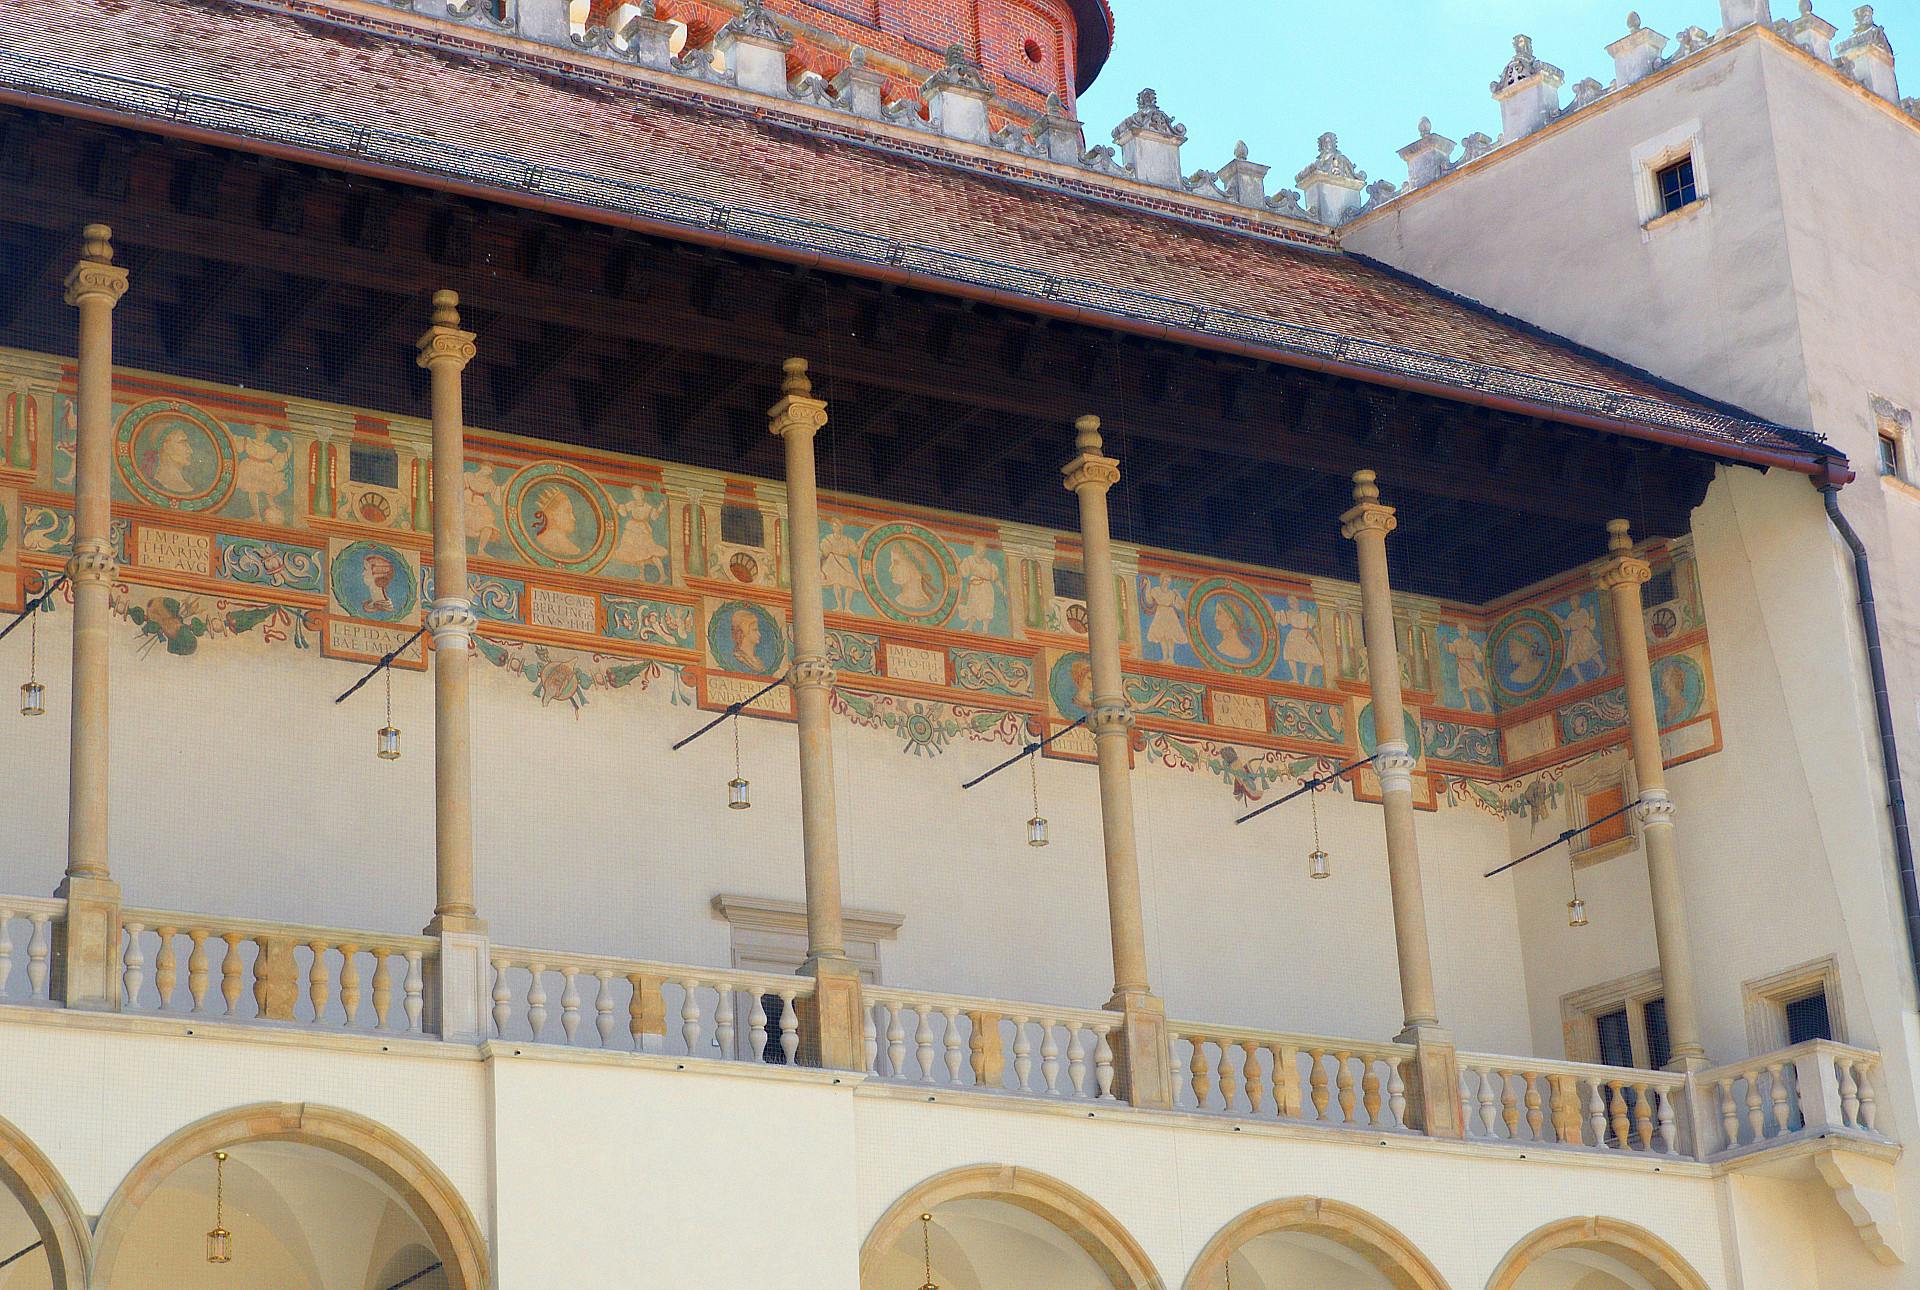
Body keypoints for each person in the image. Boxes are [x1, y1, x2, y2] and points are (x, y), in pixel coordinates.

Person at [233, 423, 290, 522]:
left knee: (268, 491)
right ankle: (257, 516)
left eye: (263, 433)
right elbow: (234, 440)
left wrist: (289, 444)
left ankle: (274, 511)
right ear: (256, 433)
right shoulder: (249, 442)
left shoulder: (269, 447)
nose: (261, 435)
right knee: (252, 491)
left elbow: (281, 457)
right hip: (249, 468)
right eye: (259, 433)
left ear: (266, 435)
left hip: (264, 471)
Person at [612, 487, 669, 581]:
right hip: (632, 529)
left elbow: (654, 517)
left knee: (651, 552)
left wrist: (661, 507)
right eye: (634, 494)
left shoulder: (648, 507)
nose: (635, 496)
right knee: (638, 553)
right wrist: (614, 503)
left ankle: (663, 575)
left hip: (643, 531)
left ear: (642, 494)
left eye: (637, 494)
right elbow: (623, 513)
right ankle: (642, 575)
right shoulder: (632, 504)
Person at [530, 484, 585, 561]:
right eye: (567, 511)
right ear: (553, 515)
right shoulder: (569, 548)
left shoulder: (570, 547)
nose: (573, 518)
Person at [954, 541, 1000, 631]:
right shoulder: (970, 560)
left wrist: (1002, 588)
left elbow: (995, 578)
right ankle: (970, 627)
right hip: (975, 587)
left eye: (983, 551)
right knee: (973, 605)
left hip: (986, 588)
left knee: (986, 606)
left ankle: (985, 628)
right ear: (975, 550)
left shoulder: (988, 563)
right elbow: (964, 573)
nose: (981, 553)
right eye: (979, 550)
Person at [1141, 572, 1188, 659]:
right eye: (1166, 580)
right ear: (1162, 580)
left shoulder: (1172, 593)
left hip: (1170, 615)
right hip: (1160, 613)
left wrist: (1178, 595)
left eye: (1168, 581)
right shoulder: (1156, 590)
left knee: (1170, 637)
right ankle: (1164, 658)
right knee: (1162, 637)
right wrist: (1148, 585)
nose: (1167, 583)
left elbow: (1180, 607)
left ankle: (1171, 659)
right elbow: (1149, 600)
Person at [1444, 630, 1492, 712]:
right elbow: (1450, 649)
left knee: (1478, 685)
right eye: (1461, 631)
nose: (1462, 633)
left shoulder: (1471, 643)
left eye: (1464, 631)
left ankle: (1488, 706)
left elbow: (1478, 656)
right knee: (1463, 687)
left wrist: (1482, 654)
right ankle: (1468, 706)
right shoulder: (1456, 642)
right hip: (1461, 666)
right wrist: (1445, 642)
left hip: (1470, 665)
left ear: (1466, 632)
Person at [820, 518, 860, 610]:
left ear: (840, 527)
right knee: (836, 583)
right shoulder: (829, 538)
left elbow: (855, 552)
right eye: (833, 526)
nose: (834, 528)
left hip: (845, 561)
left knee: (850, 584)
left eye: (836, 526)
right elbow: (824, 552)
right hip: (833, 561)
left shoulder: (847, 540)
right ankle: (839, 605)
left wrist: (858, 546)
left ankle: (847, 607)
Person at [1278, 603, 1324, 685]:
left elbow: (1314, 626)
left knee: (1311, 657)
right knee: (1290, 656)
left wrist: (1318, 638)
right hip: (1293, 636)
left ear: (1297, 603)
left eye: (1294, 601)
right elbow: (1282, 622)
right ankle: (1295, 678)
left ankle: (1307, 680)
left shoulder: (1306, 615)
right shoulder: (1289, 613)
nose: (1292, 604)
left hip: (1304, 635)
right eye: (1290, 602)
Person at [886, 542, 938, 613]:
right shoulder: (899, 600)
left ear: (914, 568)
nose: (890, 569)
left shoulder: (926, 602)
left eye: (896, 562)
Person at [1210, 599, 1256, 665]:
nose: (1215, 618)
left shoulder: (1245, 652)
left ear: (1231, 619)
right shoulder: (1220, 648)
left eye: (1219, 613)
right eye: (1216, 613)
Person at [361, 551, 398, 616]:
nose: (363, 573)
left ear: (377, 575)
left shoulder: (386, 607)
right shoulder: (370, 603)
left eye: (366, 569)